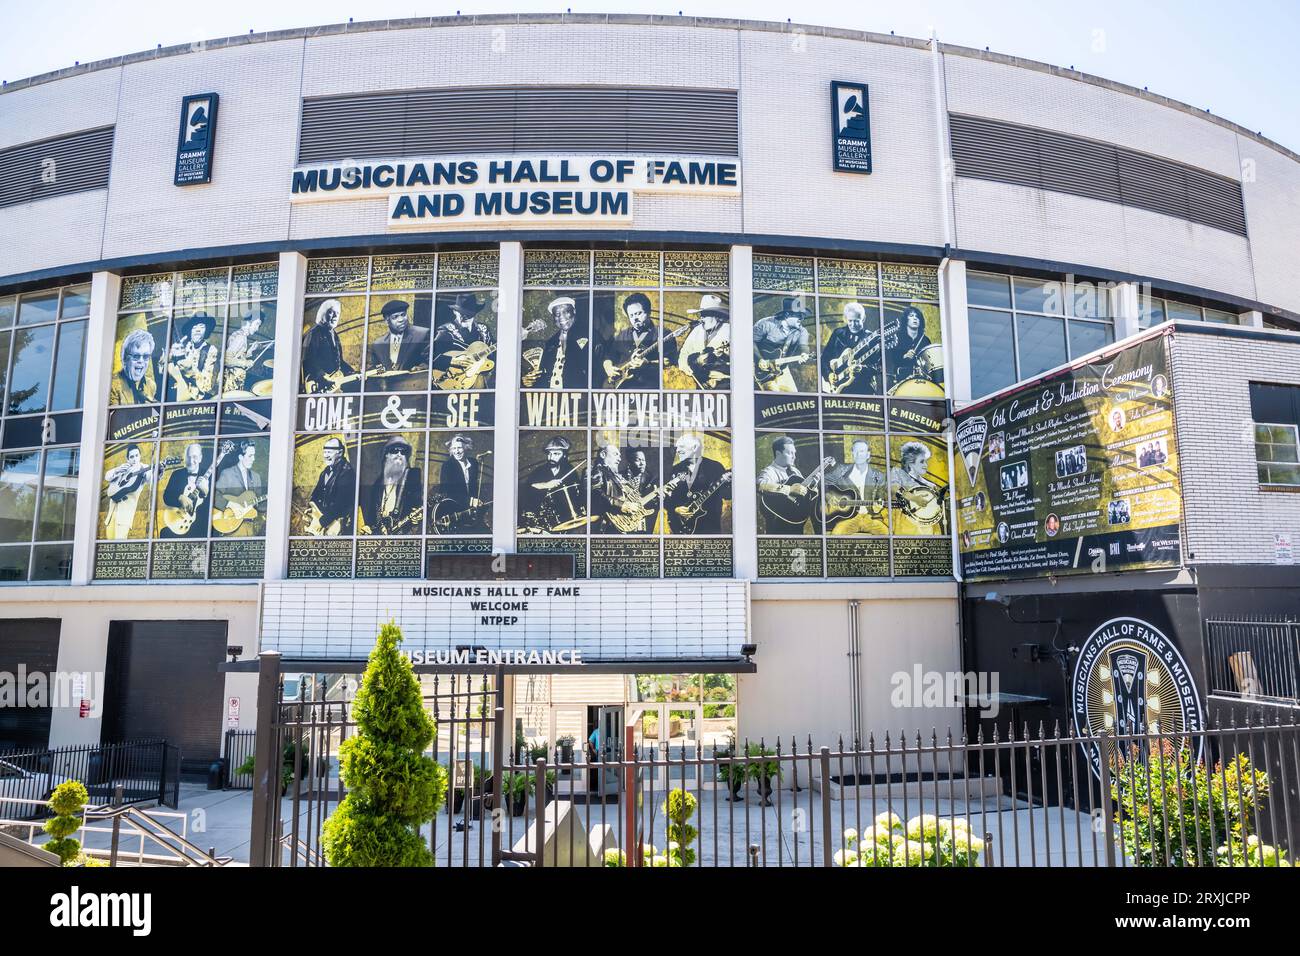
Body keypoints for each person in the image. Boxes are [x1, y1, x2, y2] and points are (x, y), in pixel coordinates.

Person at [600, 292, 674, 389]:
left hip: (649, 389)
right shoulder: (622, 335)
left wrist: (648, 364)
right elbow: (609, 356)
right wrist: (608, 367)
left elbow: (669, 361)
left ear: (648, 312)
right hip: (623, 388)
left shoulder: (663, 334)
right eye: (631, 315)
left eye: (638, 313)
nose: (635, 318)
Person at [664, 433, 730, 533]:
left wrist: (729, 484)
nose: (677, 450)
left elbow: (727, 495)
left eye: (681, 447)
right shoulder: (674, 470)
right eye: (677, 447)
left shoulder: (715, 467)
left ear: (694, 448)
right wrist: (675, 509)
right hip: (679, 527)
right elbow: (665, 498)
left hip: (709, 527)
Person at [519, 436, 585, 531]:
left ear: (564, 455)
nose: (551, 457)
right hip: (543, 520)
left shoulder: (569, 470)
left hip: (566, 517)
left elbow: (577, 494)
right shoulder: (539, 471)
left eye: (556, 454)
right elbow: (524, 488)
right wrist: (545, 485)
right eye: (549, 454)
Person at [360, 435, 424, 535]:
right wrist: (368, 527)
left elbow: (417, 506)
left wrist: (417, 518)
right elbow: (372, 518)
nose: (399, 454)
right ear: (387, 455)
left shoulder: (411, 479)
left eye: (403, 452)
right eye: (395, 450)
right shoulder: (377, 484)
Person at [824, 439, 889, 535]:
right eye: (856, 451)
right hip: (849, 518)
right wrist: (829, 497)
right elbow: (823, 481)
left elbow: (880, 498)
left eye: (862, 451)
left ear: (868, 454)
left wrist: (877, 508)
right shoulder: (841, 470)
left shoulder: (879, 476)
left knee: (886, 534)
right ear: (852, 453)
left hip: (869, 517)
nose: (858, 454)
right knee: (836, 534)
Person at [432, 293, 495, 388]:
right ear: (454, 311)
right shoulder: (445, 331)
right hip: (451, 383)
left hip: (479, 383)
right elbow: (427, 355)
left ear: (474, 313)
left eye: (468, 314)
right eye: (460, 312)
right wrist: (452, 360)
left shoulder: (484, 330)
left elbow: (495, 355)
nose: (463, 317)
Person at [526, 296, 588, 389]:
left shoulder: (589, 335)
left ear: (574, 311)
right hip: (551, 396)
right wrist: (529, 381)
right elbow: (544, 374)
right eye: (557, 314)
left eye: (566, 312)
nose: (561, 317)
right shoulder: (551, 343)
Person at [821, 301, 882, 394]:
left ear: (863, 319)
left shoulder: (871, 337)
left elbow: (879, 366)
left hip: (863, 389)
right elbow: (824, 358)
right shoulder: (838, 334)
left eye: (857, 321)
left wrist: (862, 368)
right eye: (850, 321)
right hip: (838, 390)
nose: (853, 325)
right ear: (846, 319)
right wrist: (829, 375)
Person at [753, 297, 812, 393]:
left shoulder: (802, 331)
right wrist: (759, 359)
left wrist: (804, 353)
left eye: (803, 316)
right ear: (787, 315)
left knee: (793, 396)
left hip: (782, 369)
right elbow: (750, 342)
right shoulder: (766, 324)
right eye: (799, 316)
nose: (802, 319)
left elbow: (804, 346)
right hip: (760, 367)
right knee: (773, 394)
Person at [756, 436, 813, 534]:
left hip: (796, 522)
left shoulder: (795, 471)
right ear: (778, 454)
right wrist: (789, 489)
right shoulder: (769, 472)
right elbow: (759, 485)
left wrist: (812, 485)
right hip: (777, 526)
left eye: (794, 453)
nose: (794, 457)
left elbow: (802, 491)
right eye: (790, 453)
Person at [434, 434, 487, 533]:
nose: (457, 451)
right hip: (455, 512)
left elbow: (475, 487)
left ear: (466, 448)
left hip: (472, 512)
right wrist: (470, 501)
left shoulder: (473, 463)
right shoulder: (447, 466)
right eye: (454, 448)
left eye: (459, 448)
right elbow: (446, 493)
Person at [890, 441, 946, 532]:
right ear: (910, 463)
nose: (925, 465)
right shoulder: (898, 472)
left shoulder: (930, 485)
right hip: (906, 524)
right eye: (922, 462)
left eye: (926, 461)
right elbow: (893, 488)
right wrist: (914, 498)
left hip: (928, 526)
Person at [160, 442, 212, 538]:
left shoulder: (210, 476)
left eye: (195, 457)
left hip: (200, 526)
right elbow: (166, 497)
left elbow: (214, 506)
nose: (191, 460)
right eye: (188, 457)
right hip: (178, 521)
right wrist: (179, 497)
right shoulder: (177, 474)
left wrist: (206, 492)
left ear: (200, 458)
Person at [302, 299, 356, 393]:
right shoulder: (314, 333)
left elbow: (339, 362)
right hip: (319, 384)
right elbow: (308, 361)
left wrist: (353, 373)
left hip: (333, 384)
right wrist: (323, 377)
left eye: (337, 313)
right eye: (331, 312)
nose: (335, 316)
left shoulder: (334, 334)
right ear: (323, 314)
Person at [677, 294, 730, 389]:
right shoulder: (697, 330)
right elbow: (684, 352)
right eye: (700, 314)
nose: (701, 318)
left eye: (704, 315)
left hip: (723, 383)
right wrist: (685, 366)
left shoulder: (729, 330)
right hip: (696, 380)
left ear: (716, 315)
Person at [214, 440, 266, 536]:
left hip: (251, 529)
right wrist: (231, 504)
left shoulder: (256, 477)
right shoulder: (227, 474)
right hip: (230, 528)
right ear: (240, 457)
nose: (253, 459)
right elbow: (214, 495)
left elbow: (259, 506)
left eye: (254, 455)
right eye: (250, 456)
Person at [306, 437, 355, 535]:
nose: (326, 455)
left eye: (329, 452)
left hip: (339, 526)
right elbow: (316, 495)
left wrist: (321, 522)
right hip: (325, 522)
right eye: (325, 452)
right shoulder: (325, 472)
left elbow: (340, 504)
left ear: (340, 453)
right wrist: (312, 509)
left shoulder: (347, 472)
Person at [165, 313, 219, 402]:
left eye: (201, 327)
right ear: (190, 331)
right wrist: (170, 357)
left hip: (199, 401)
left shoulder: (211, 350)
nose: (197, 330)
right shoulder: (183, 347)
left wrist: (189, 369)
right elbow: (162, 373)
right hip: (177, 397)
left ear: (206, 331)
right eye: (194, 327)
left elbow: (207, 386)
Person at [102, 444, 151, 539]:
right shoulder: (124, 467)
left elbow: (150, 478)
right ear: (127, 459)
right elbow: (107, 476)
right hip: (112, 513)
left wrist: (159, 471)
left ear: (140, 456)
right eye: (132, 457)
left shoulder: (144, 468)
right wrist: (118, 470)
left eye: (137, 455)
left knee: (119, 542)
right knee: (109, 541)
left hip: (124, 514)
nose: (135, 459)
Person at [368, 299, 429, 375]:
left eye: (403, 315)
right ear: (387, 321)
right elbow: (377, 368)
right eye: (395, 317)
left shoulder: (422, 334)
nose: (401, 320)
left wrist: (421, 368)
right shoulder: (378, 345)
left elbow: (430, 363)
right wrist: (380, 373)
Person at [885, 306, 932, 391]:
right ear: (906, 320)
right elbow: (893, 361)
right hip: (902, 380)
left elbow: (929, 363)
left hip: (922, 381)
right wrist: (904, 356)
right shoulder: (897, 338)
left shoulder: (925, 340)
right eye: (911, 316)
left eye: (917, 316)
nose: (915, 318)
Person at [222, 310, 268, 395]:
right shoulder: (240, 337)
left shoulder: (239, 335)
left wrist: (251, 350)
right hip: (231, 382)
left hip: (234, 380)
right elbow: (226, 360)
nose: (257, 328)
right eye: (257, 324)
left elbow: (237, 356)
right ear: (248, 322)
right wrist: (245, 363)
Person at [109, 329, 159, 405]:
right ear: (124, 358)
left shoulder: (151, 385)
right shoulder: (112, 385)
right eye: (136, 356)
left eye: (145, 356)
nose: (141, 361)